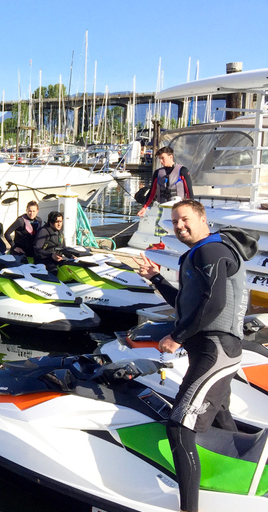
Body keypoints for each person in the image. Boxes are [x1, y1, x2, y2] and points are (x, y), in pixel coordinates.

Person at [134, 199, 257, 512]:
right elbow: (187, 305)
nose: (179, 227)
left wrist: (175, 337)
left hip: (214, 352)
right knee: (220, 415)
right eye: (175, 222)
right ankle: (242, 483)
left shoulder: (210, 250)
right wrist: (156, 278)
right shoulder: (206, 252)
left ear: (203, 219)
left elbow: (213, 305)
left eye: (185, 219)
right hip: (214, 351)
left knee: (179, 426)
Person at [137, 146, 193, 217]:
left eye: (162, 158)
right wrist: (144, 208)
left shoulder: (183, 171)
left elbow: (189, 192)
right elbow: (152, 193)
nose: (160, 161)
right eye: (159, 158)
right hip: (162, 208)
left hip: (179, 209)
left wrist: (191, 209)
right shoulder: (158, 173)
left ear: (171, 157)